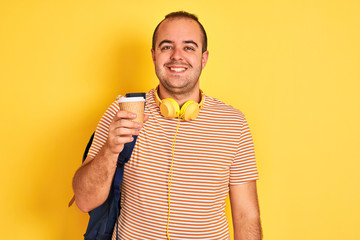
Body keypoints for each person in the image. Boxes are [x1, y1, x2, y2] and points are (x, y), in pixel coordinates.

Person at [72, 11, 262, 240]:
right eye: (166, 46)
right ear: (153, 55)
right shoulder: (122, 112)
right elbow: (84, 201)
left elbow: (246, 216)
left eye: (189, 47)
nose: (176, 56)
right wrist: (109, 151)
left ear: (204, 57)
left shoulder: (234, 123)